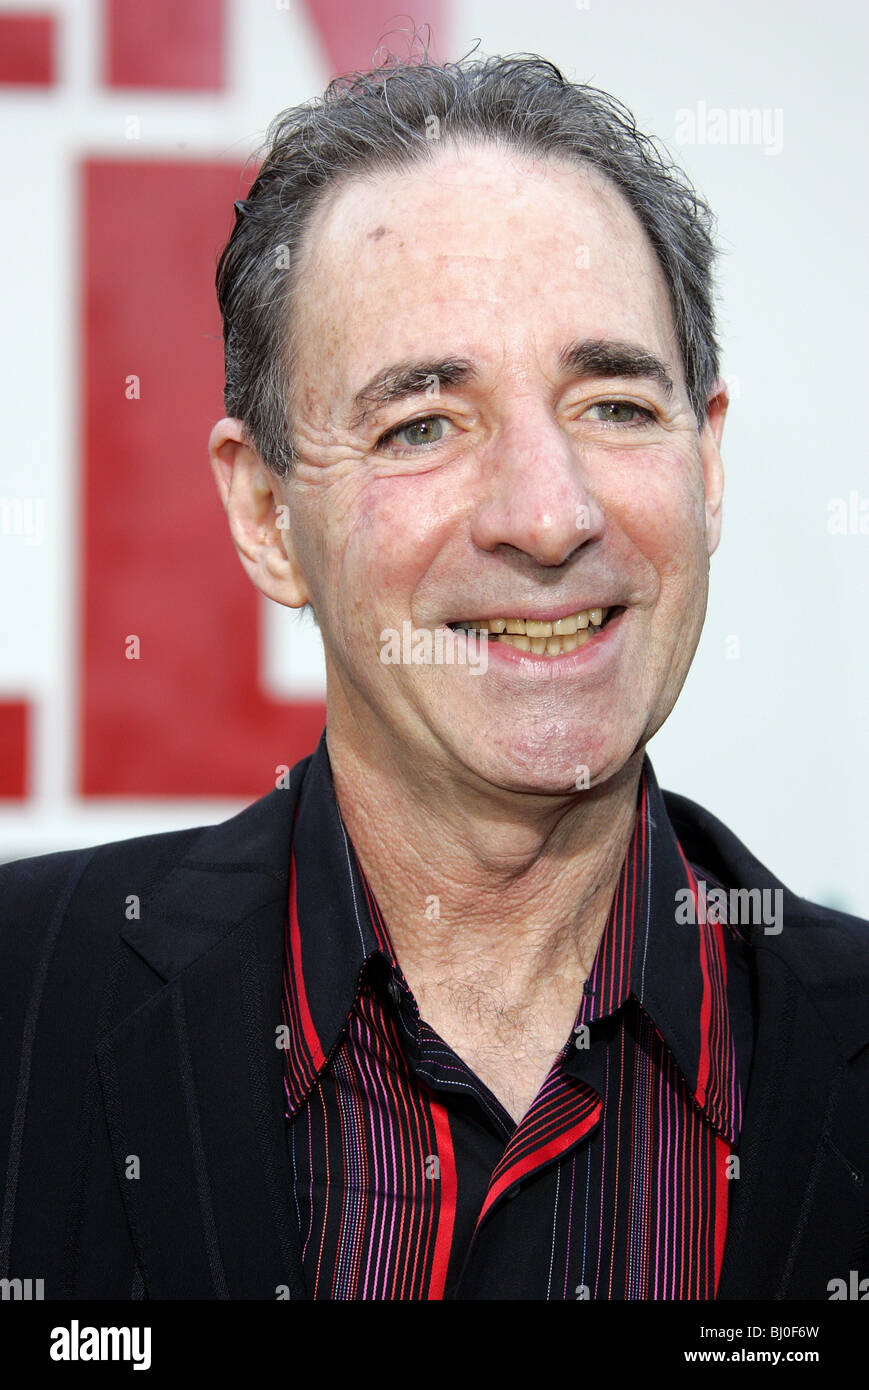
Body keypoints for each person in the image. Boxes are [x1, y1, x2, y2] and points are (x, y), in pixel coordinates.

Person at [2, 53, 867, 1303]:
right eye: (421, 424)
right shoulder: (24, 1002)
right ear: (262, 512)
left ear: (706, 459)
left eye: (614, 403)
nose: (546, 513)